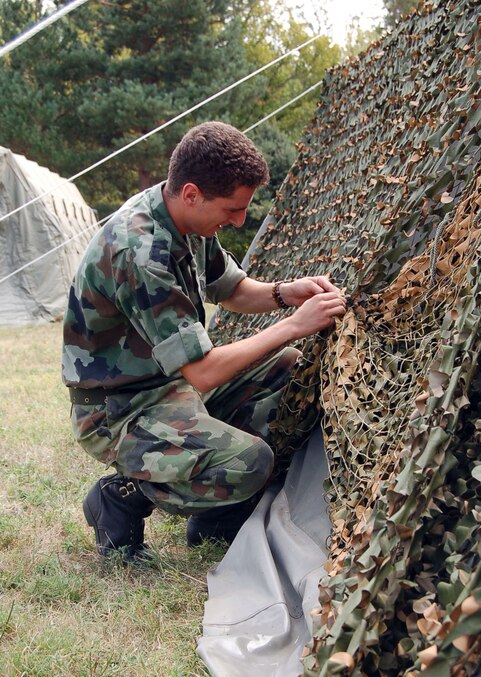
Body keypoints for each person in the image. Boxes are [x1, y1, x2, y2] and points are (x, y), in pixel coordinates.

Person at [62, 121, 346, 560]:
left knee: (287, 369)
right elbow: (203, 369)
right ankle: (121, 496)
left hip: (168, 390)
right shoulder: (140, 252)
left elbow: (231, 289)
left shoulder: (185, 219)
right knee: (250, 462)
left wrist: (284, 293)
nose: (238, 221)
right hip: (118, 410)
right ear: (192, 193)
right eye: (233, 209)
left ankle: (215, 519)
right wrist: (293, 323)